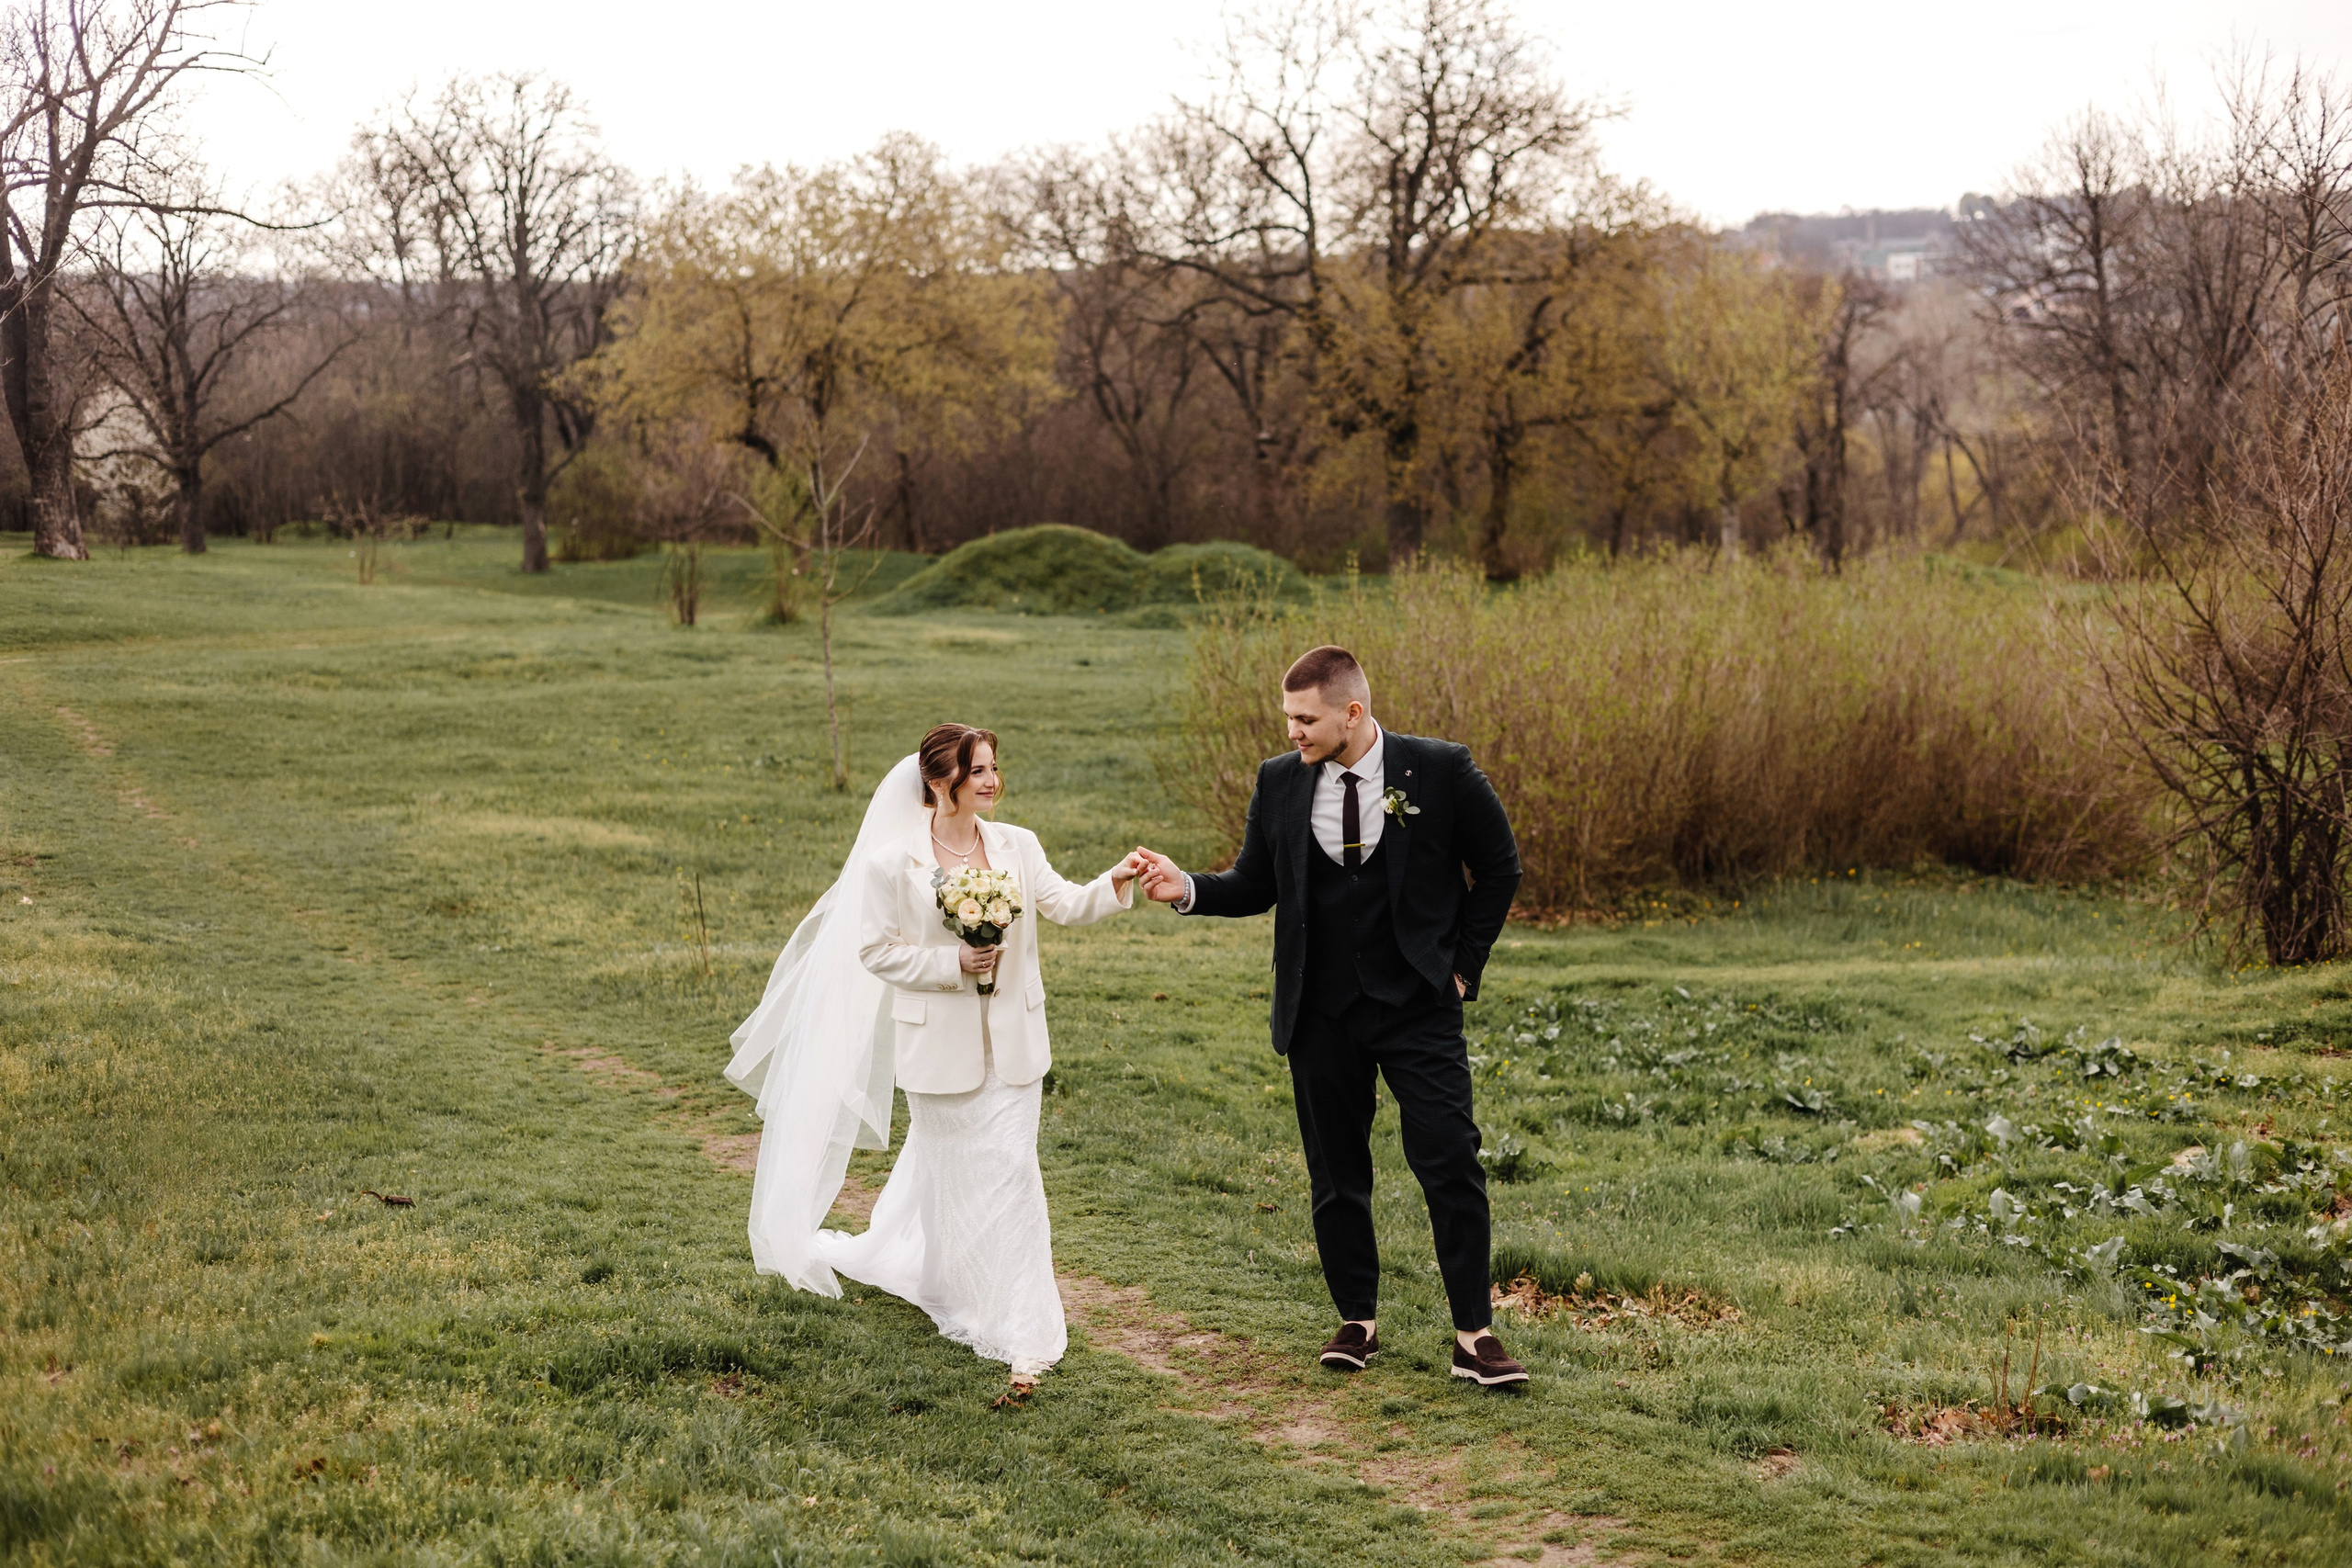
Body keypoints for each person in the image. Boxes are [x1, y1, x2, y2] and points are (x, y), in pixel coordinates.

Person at [1135, 647, 1529, 1386]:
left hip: (1418, 1006)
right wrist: (1185, 885)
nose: (1293, 731)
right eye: (1288, 717)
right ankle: (1358, 1318)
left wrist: (1461, 965)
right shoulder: (1280, 781)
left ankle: (1474, 1336)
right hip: (1319, 1010)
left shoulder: (1440, 769)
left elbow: (1500, 866)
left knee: (1450, 1159)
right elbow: (1256, 881)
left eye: (1305, 718)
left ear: (1352, 712)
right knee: (1336, 1171)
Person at [725, 723, 1142, 1394]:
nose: (991, 780)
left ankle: (1025, 1336)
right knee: (951, 1184)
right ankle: (947, 1282)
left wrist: (1115, 881)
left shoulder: (1018, 845)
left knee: (1011, 1174)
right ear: (939, 780)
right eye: (977, 770)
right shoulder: (893, 863)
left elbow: (1064, 903)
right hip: (937, 1048)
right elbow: (875, 951)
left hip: (1015, 1046)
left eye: (994, 768)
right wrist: (952, 963)